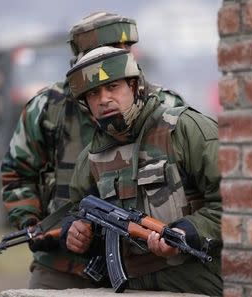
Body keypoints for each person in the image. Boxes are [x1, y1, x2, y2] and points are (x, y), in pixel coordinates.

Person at [0, 12, 186, 290]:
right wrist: (42, 230)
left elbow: (196, 182)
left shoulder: (165, 107)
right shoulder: (48, 108)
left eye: (122, 53)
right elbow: (16, 174)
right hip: (63, 263)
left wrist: (177, 235)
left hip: (146, 263)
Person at [62, 46, 223, 295]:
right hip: (127, 288)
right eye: (93, 93)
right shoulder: (90, 158)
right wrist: (75, 232)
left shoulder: (186, 130)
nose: (104, 99)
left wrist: (188, 232)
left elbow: (236, 205)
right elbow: (77, 210)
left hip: (196, 282)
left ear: (135, 86)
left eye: (113, 87)